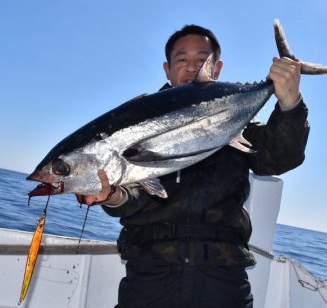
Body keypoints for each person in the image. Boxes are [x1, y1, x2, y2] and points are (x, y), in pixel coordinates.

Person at [76, 24, 308, 308]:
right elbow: (130, 198)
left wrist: (289, 102)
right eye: (182, 59)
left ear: (216, 68)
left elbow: (281, 157)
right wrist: (112, 196)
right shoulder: (135, 125)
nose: (191, 67)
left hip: (222, 277)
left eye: (202, 60)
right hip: (151, 274)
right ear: (167, 68)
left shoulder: (237, 126)